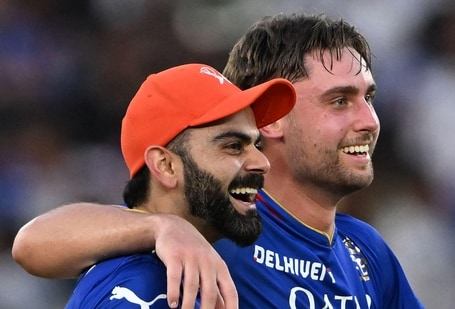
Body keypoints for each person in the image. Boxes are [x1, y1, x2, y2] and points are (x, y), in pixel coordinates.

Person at [13, 13, 424, 309]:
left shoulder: (365, 249)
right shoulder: (216, 228)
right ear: (277, 122)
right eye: (339, 101)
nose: (370, 121)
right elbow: (32, 244)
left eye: (368, 98)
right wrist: (162, 226)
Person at [41, 63, 296, 308]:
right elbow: (33, 243)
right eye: (233, 146)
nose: (262, 162)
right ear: (165, 166)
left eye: (257, 145)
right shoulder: (141, 287)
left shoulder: (167, 257)